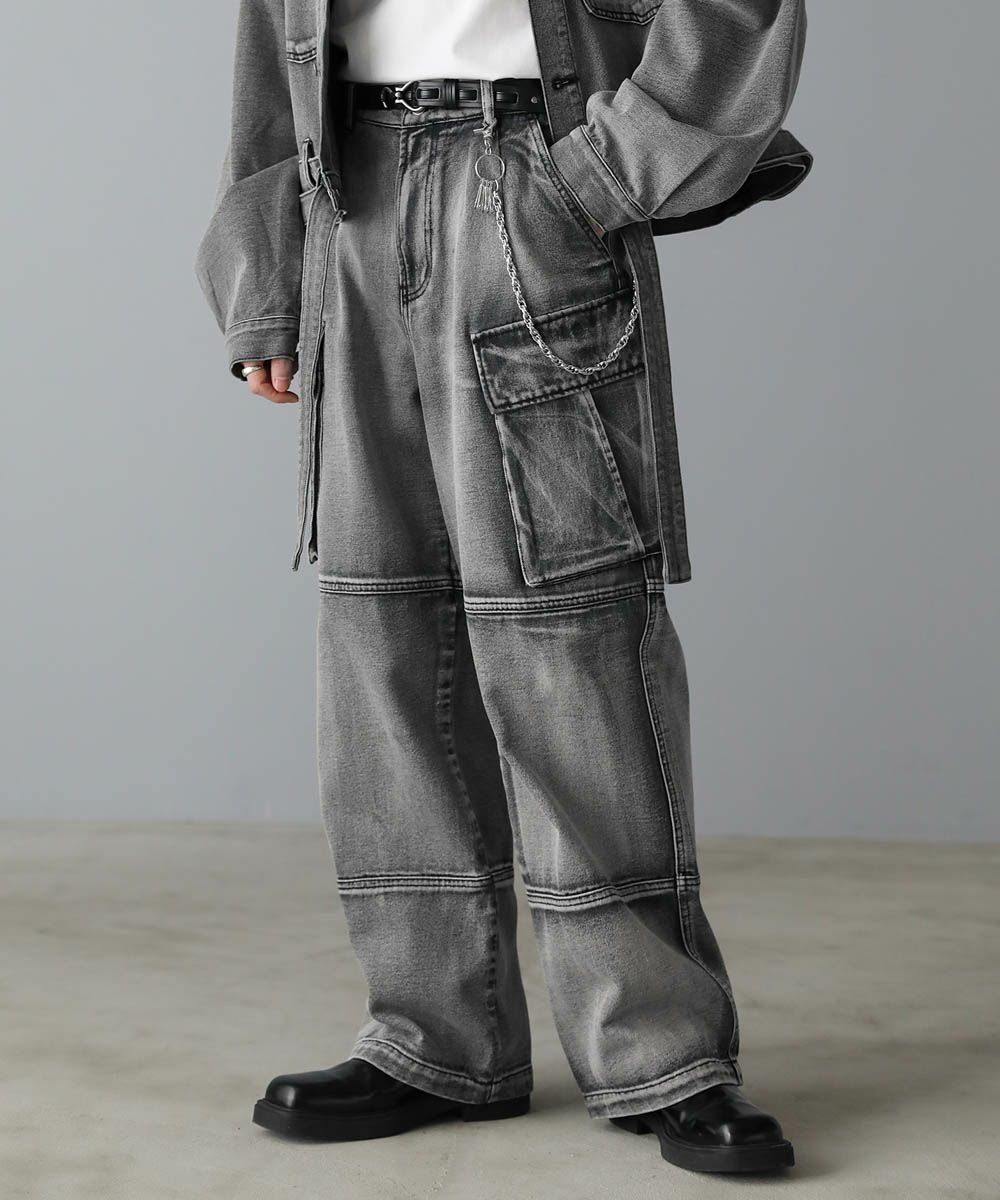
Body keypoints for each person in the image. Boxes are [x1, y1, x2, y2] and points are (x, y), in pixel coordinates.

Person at [196, 0, 810, 1176]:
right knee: (382, 643)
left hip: (528, 178)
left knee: (570, 638)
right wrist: (266, 275)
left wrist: (593, 178)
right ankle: (433, 1038)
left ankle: (659, 1051)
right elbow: (270, 41)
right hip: (349, 200)